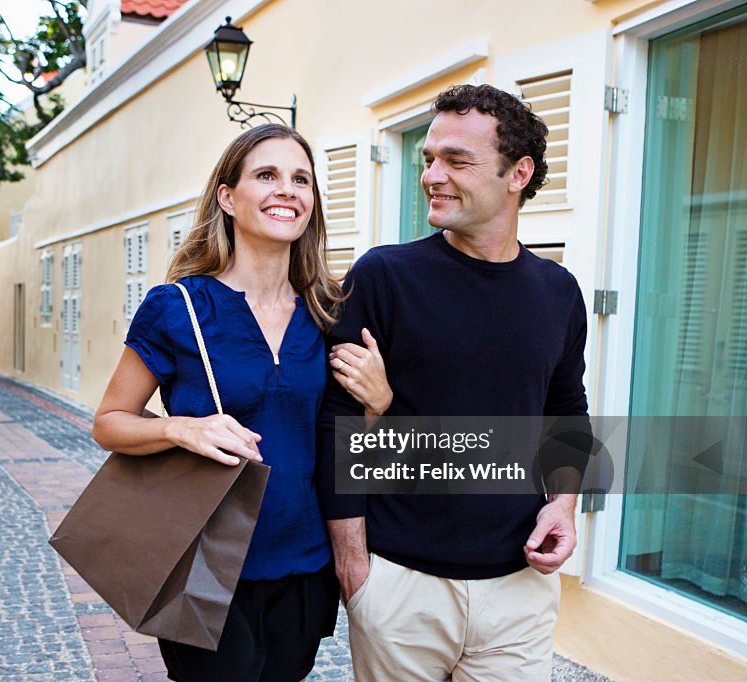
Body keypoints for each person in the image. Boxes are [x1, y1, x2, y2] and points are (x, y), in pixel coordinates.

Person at [92, 124, 385, 682]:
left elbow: (345, 437)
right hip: (200, 558)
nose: (288, 190)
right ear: (228, 197)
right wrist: (181, 429)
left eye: (301, 179)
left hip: (305, 560)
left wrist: (380, 402)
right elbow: (109, 422)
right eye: (267, 175)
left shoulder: (329, 312)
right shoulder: (177, 306)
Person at [319, 84, 589, 681]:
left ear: (518, 173)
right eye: (428, 159)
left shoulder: (558, 292)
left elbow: (567, 409)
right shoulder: (384, 276)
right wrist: (355, 567)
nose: (433, 175)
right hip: (401, 582)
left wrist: (564, 505)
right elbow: (337, 421)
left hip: (520, 586)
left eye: (457, 161)